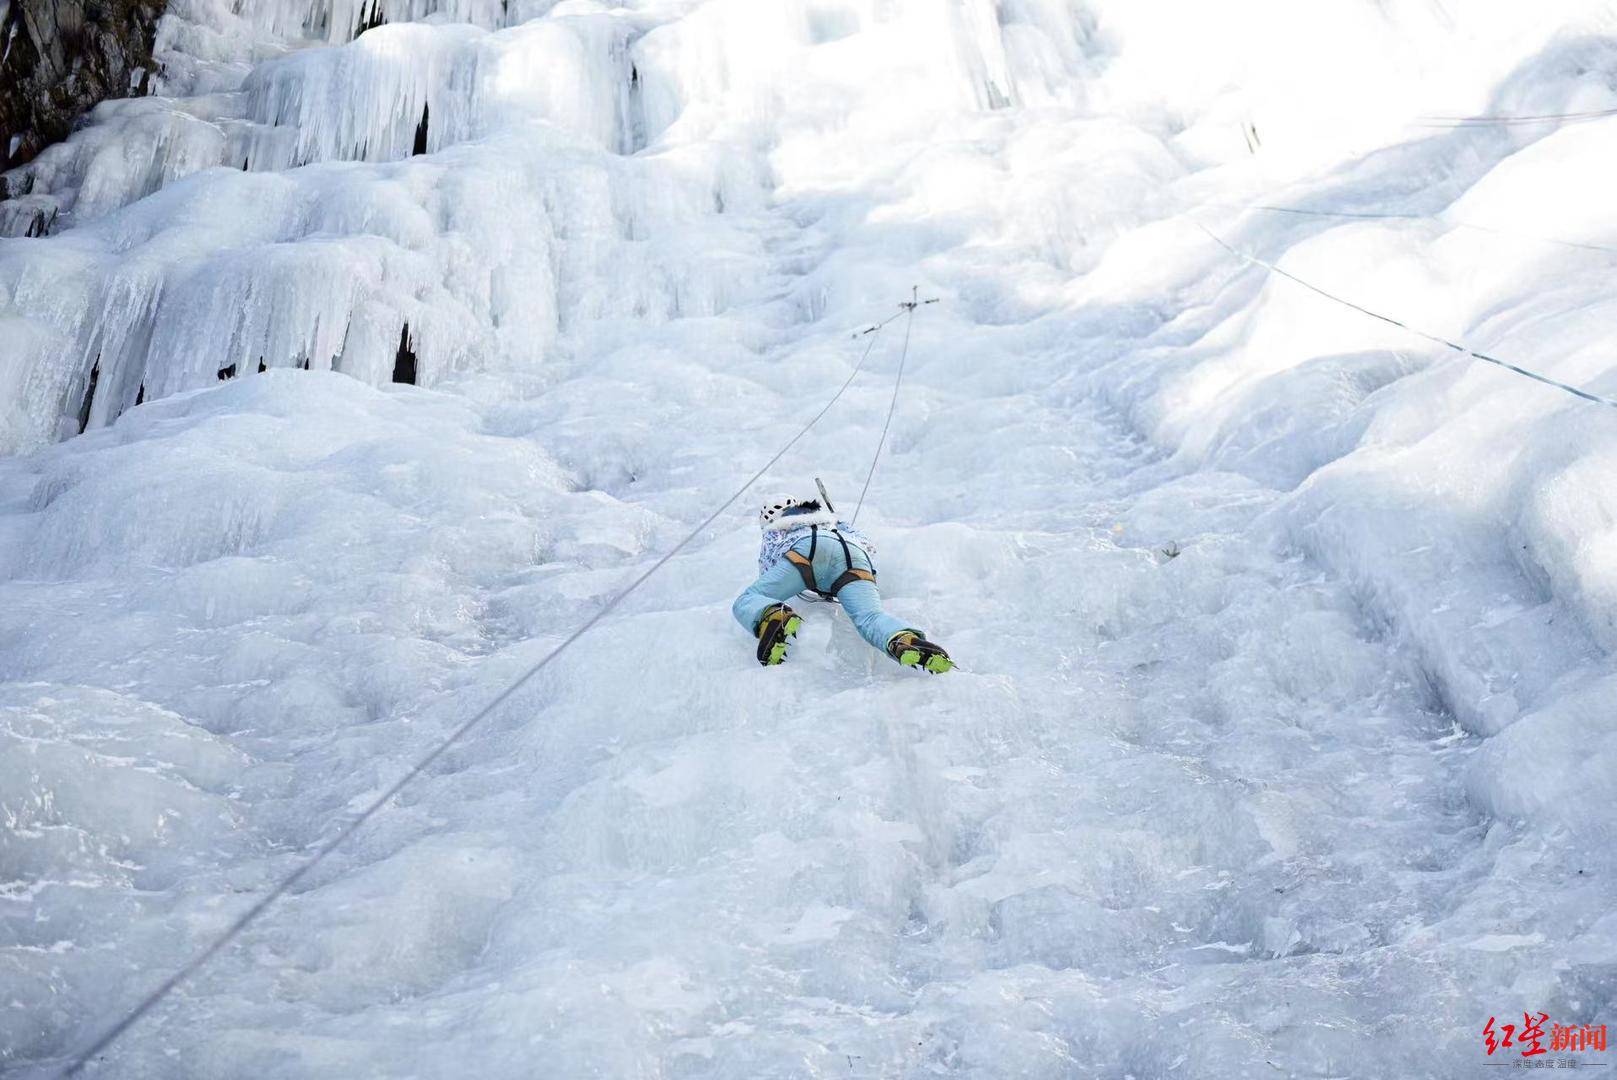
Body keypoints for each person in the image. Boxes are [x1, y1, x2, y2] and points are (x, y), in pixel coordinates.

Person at [732, 494, 953, 672]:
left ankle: (773, 615)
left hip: (807, 551)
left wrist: (788, 587)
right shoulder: (832, 521)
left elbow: (768, 566)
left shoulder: (775, 528)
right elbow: (869, 546)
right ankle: (903, 639)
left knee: (750, 599)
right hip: (855, 556)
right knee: (870, 617)